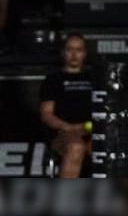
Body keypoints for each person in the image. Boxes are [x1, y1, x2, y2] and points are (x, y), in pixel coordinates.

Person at [39, 32, 92, 178]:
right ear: (63, 53)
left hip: (93, 133)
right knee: (76, 147)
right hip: (63, 135)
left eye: (79, 50)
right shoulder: (53, 79)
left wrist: (91, 128)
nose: (74, 55)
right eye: (70, 49)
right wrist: (69, 128)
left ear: (85, 53)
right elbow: (47, 115)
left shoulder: (95, 78)